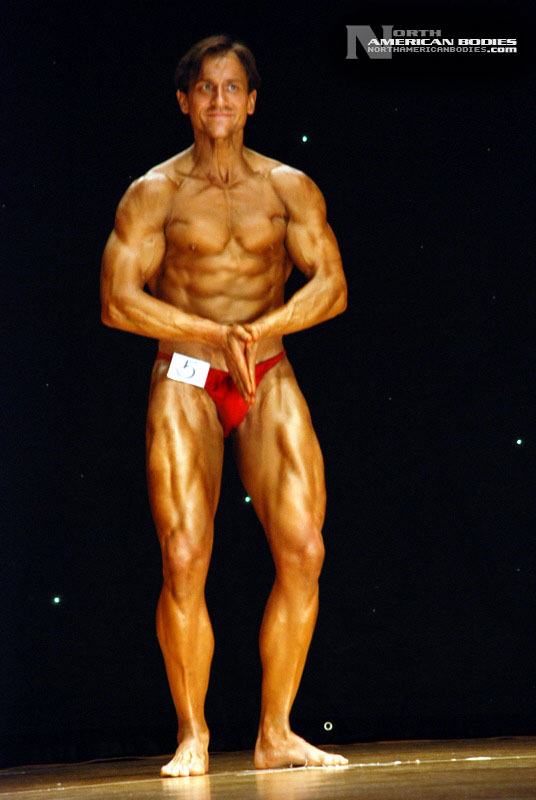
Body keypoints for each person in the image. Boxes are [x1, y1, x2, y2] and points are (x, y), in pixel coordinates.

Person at [100, 34, 348, 777]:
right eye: (205, 88)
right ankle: (193, 734)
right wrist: (214, 333)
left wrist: (263, 329)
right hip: (185, 374)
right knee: (184, 556)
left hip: (266, 370)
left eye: (231, 87)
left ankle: (276, 732)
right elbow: (118, 302)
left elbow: (332, 286)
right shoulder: (155, 193)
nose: (219, 100)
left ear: (252, 102)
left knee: (305, 550)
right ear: (184, 101)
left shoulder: (287, 187)